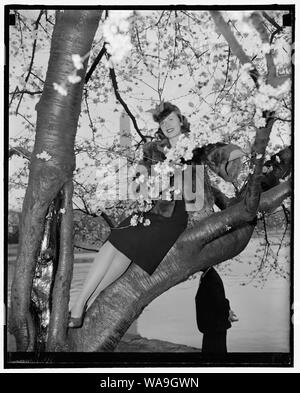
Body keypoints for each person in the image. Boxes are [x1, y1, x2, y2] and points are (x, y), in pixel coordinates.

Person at [68, 101, 198, 328]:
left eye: (171, 119)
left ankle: (79, 303)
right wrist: (146, 187)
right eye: (162, 121)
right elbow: (138, 181)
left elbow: (201, 183)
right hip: (151, 210)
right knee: (118, 244)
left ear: (180, 119)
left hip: (174, 216)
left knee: (121, 244)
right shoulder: (152, 150)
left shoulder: (196, 149)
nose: (167, 124)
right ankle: (83, 302)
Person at [195, 266, 238, 354]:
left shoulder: (212, 278)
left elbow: (220, 301)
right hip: (212, 326)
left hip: (215, 327)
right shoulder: (207, 275)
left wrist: (227, 312)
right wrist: (228, 311)